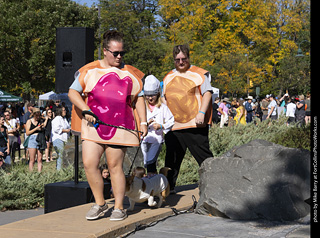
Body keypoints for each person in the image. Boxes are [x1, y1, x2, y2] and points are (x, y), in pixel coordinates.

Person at [68, 30, 147, 221]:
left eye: (122, 53)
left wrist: (143, 122)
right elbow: (72, 92)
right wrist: (86, 110)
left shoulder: (130, 73)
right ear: (105, 51)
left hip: (121, 125)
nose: (119, 57)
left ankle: (119, 207)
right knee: (89, 163)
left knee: (114, 165)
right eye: (115, 53)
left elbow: (139, 98)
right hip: (93, 125)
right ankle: (100, 204)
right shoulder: (89, 70)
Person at [162, 44, 213, 193]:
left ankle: (215, 184)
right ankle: (167, 189)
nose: (181, 62)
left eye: (184, 58)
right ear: (173, 60)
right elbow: (164, 99)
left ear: (188, 58)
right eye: (177, 59)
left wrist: (202, 113)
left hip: (195, 125)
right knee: (171, 160)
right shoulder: (167, 77)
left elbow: (207, 94)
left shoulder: (200, 74)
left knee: (204, 158)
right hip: (174, 126)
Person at [141, 75, 174, 177]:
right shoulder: (142, 107)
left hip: (156, 139)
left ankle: (153, 182)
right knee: (146, 163)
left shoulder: (163, 108)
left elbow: (171, 120)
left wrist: (161, 126)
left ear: (158, 94)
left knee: (151, 162)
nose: (150, 98)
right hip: (144, 138)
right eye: (147, 95)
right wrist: (145, 123)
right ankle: (152, 181)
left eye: (153, 95)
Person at [25, 107, 48, 172]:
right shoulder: (29, 121)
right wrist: (36, 128)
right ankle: (31, 174)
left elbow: (44, 126)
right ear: (33, 114)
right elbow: (27, 133)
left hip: (40, 139)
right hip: (32, 139)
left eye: (39, 115)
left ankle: (39, 172)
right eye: (36, 115)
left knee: (40, 158)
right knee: (32, 159)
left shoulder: (41, 121)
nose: (38, 117)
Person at [51, 106, 71, 170]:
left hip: (64, 139)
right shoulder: (57, 118)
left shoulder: (64, 119)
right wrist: (66, 130)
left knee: (63, 155)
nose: (65, 111)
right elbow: (56, 129)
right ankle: (59, 170)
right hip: (58, 139)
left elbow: (68, 126)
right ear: (60, 111)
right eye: (63, 110)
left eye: (65, 110)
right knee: (61, 154)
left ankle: (63, 168)